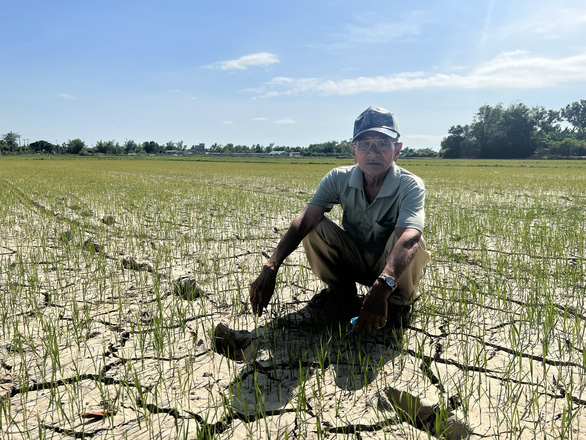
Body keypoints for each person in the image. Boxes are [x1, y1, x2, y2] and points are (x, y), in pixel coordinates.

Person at [250, 106, 431, 333]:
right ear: (354, 151)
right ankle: (343, 294)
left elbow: (409, 236)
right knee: (313, 227)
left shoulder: (410, 184)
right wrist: (271, 265)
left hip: (390, 269)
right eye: (365, 144)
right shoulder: (338, 178)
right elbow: (306, 219)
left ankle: (395, 306)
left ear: (397, 150)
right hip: (355, 258)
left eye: (383, 143)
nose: (373, 152)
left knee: (412, 241)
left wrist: (383, 285)